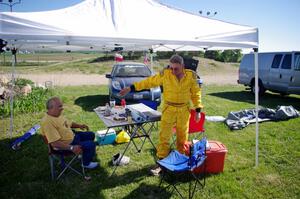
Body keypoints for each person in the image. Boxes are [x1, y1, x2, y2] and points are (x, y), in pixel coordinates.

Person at [119, 54, 203, 175]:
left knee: (182, 138)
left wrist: (198, 110)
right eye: (171, 68)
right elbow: (149, 82)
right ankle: (161, 163)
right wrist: (131, 88)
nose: (173, 71)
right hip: (169, 109)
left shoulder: (191, 76)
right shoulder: (166, 74)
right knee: (164, 138)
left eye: (176, 69)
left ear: (183, 66)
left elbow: (196, 93)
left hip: (184, 110)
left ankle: (180, 161)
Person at [41, 97, 98, 169]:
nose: (62, 108)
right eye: (60, 106)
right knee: (91, 144)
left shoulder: (57, 115)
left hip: (73, 136)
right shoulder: (48, 122)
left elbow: (69, 123)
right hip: (65, 146)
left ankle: (83, 155)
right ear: (51, 108)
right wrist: (72, 148)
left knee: (91, 135)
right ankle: (86, 163)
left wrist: (79, 126)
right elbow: (55, 143)